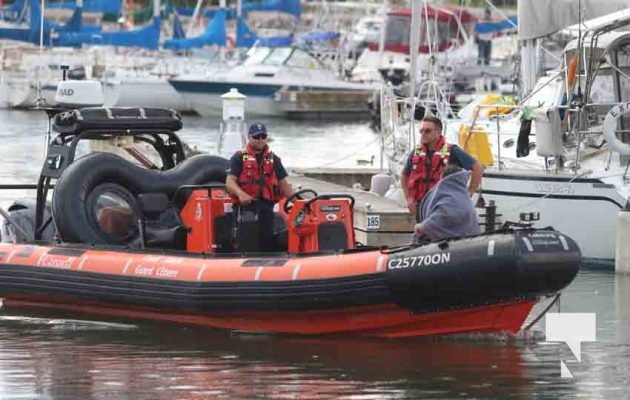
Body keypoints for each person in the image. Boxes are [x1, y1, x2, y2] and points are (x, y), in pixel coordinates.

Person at [400, 115, 483, 222]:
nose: (423, 134)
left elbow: (477, 168)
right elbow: (404, 175)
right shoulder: (417, 152)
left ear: (438, 132)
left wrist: (469, 193)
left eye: (427, 131)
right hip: (422, 208)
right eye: (421, 131)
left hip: (444, 207)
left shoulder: (452, 151)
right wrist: (409, 199)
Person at [226, 123, 294, 252]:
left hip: (266, 208)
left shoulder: (274, 159)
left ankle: (267, 264)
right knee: (246, 241)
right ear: (249, 137)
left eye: (263, 137)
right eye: (256, 137)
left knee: (266, 241)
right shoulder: (239, 157)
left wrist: (299, 201)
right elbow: (230, 182)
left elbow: (283, 185)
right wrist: (241, 194)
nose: (260, 140)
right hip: (245, 208)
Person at [413, 165, 481, 243]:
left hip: (454, 249)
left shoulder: (448, 204)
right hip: (471, 244)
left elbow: (423, 229)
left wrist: (417, 227)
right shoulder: (466, 200)